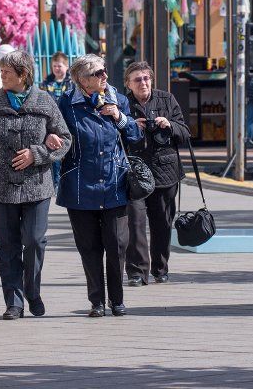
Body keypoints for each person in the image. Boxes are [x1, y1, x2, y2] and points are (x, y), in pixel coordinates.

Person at [0, 50, 72, 320]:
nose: (1, 75)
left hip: (37, 185)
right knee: (7, 245)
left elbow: (64, 139)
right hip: (1, 187)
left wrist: (38, 153)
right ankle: (14, 301)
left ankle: (33, 291)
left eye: (6, 72)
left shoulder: (44, 101)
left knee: (34, 241)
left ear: (23, 74)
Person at [56, 54, 142, 318]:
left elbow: (135, 136)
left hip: (114, 184)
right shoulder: (66, 104)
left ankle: (117, 299)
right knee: (89, 247)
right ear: (82, 79)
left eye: (105, 72)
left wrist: (119, 116)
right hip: (80, 186)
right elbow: (57, 134)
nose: (105, 76)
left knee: (117, 246)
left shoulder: (119, 99)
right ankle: (97, 301)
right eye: (98, 73)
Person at [123, 61, 190, 286]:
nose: (143, 83)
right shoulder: (123, 104)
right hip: (135, 173)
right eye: (137, 79)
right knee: (134, 223)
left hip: (165, 172)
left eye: (146, 78)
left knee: (162, 223)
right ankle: (136, 272)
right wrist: (131, 126)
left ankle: (160, 268)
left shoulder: (166, 99)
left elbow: (185, 132)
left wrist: (169, 124)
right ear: (128, 84)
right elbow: (113, 135)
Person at [38, 51, 73, 190]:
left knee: (68, 150)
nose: (57, 69)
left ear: (66, 66)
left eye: (59, 66)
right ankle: (56, 181)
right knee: (55, 150)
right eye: (54, 66)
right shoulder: (46, 83)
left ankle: (67, 179)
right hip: (51, 121)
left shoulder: (72, 83)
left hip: (67, 120)